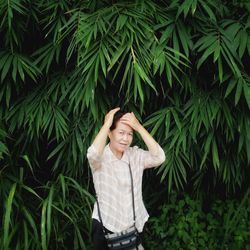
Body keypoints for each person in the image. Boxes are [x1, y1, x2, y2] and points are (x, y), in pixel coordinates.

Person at [87, 107, 166, 250]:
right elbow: (92, 155)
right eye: (121, 133)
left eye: (130, 134)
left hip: (134, 224)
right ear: (110, 134)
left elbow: (159, 157)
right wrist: (106, 124)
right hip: (106, 224)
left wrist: (139, 127)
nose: (125, 138)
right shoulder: (100, 158)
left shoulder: (135, 155)